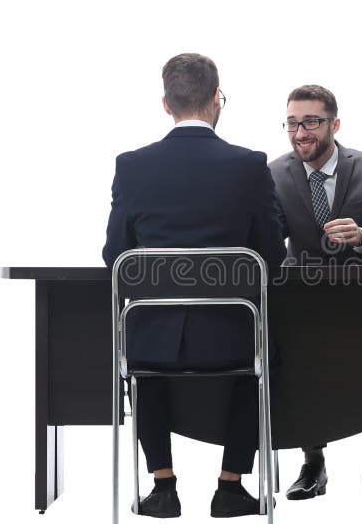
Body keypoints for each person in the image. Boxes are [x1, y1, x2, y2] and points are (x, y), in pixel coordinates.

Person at [102, 53, 286, 518]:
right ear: (216, 99)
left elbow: (115, 257)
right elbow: (270, 256)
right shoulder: (249, 164)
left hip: (150, 341)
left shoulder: (132, 165)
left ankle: (162, 487)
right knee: (269, 354)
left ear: (166, 104)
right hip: (233, 336)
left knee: (143, 366)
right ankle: (230, 486)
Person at [268, 85, 362, 501]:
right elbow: (273, 245)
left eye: (311, 121)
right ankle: (313, 464)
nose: (300, 132)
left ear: (334, 124)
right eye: (292, 123)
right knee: (291, 353)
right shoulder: (275, 174)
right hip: (305, 302)